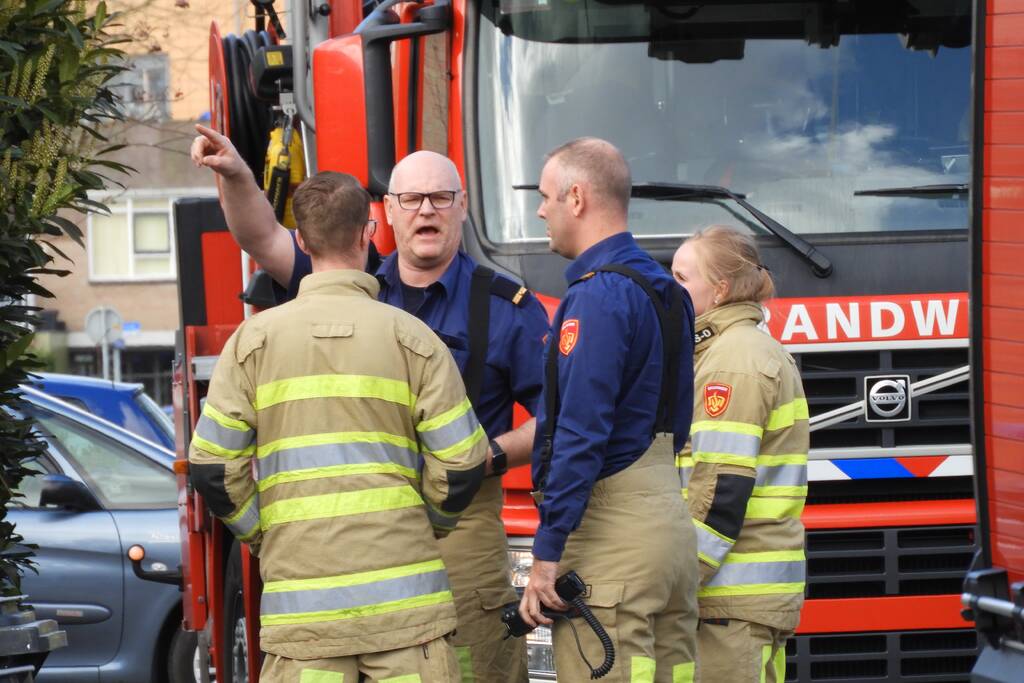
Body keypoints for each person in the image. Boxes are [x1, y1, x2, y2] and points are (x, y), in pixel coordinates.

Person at [190, 125, 548, 682]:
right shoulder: (353, 272)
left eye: (441, 198)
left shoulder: (507, 307)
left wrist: (492, 458)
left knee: (480, 668)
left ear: (462, 206)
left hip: (464, 525)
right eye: (411, 199)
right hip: (368, 536)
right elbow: (264, 237)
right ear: (380, 219)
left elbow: (558, 420)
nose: (426, 211)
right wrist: (236, 173)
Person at [518, 137, 699, 682]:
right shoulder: (670, 290)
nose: (540, 209)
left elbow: (580, 431)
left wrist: (546, 554)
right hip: (670, 529)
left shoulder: (597, 297)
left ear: (577, 197)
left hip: (612, 534)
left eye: (547, 196)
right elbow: (681, 418)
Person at [671, 225, 808, 683]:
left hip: (727, 600)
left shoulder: (732, 361)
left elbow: (721, 488)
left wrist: (679, 583)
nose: (670, 290)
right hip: (741, 602)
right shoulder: (733, 350)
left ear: (720, 289)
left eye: (681, 278)